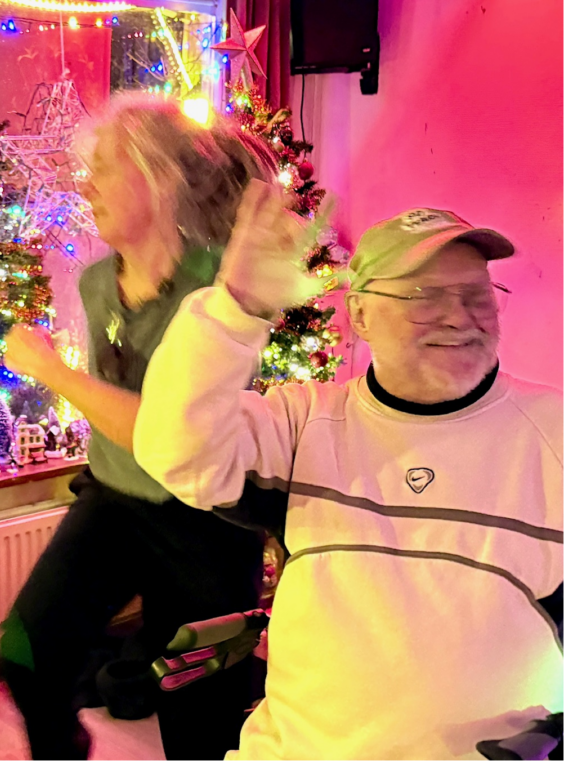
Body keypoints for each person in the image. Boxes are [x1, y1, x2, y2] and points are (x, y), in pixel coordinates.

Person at [133, 183, 564, 759]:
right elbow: (177, 454)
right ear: (359, 313)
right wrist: (235, 308)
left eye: (477, 295)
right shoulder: (303, 422)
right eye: (423, 295)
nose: (459, 316)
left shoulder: (553, 434)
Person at [0, 96, 274, 760]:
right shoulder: (98, 283)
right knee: (29, 649)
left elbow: (162, 430)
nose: (85, 185)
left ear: (159, 177)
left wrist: (51, 371)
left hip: (209, 523)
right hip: (116, 502)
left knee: (202, 716)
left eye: (103, 168)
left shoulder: (222, 293)